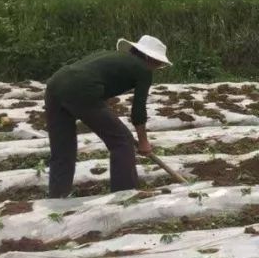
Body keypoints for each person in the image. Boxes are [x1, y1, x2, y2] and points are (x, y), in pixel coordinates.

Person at [44, 35, 171, 199]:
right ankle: (125, 196)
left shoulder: (111, 57)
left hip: (55, 84)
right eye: (158, 63)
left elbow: (96, 80)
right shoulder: (143, 69)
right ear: (149, 58)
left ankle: (57, 197)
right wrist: (143, 142)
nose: (158, 67)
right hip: (82, 90)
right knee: (122, 141)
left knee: (63, 148)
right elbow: (138, 111)